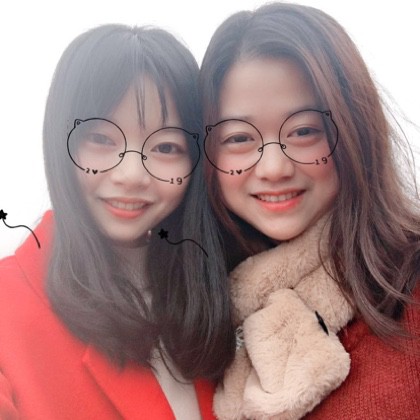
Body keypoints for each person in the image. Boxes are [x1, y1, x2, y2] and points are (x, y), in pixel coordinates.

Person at [0, 24, 235, 419]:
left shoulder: (228, 290)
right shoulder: (7, 308)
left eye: (165, 146)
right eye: (102, 139)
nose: (131, 175)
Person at [199, 3, 420, 419]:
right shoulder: (199, 326)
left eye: (304, 131)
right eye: (239, 138)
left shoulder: (409, 295)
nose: (273, 168)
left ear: (355, 130)